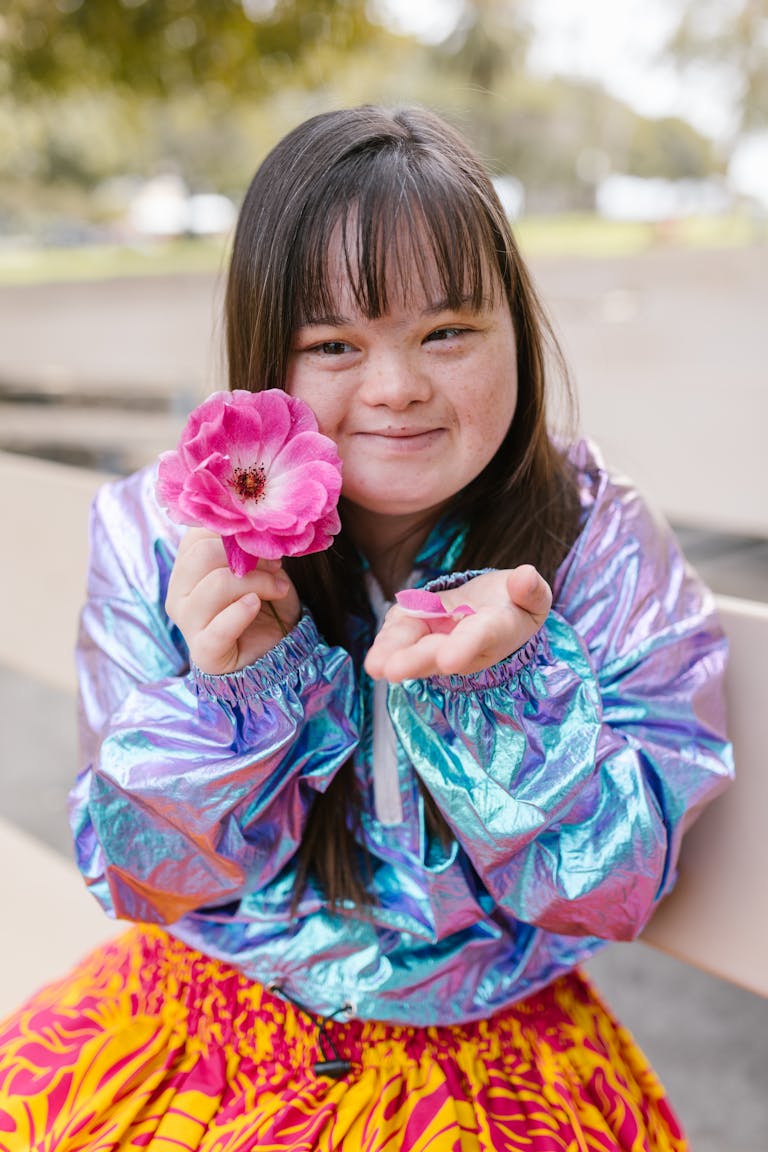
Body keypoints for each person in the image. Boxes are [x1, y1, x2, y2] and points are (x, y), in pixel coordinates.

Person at [0, 105, 732, 1151]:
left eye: (446, 331)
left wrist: (502, 697)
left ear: (516, 329)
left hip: (492, 1058)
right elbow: (135, 873)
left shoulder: (592, 537)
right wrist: (236, 700)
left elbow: (610, 889)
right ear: (265, 355)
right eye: (333, 343)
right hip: (199, 1035)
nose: (395, 388)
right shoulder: (169, 538)